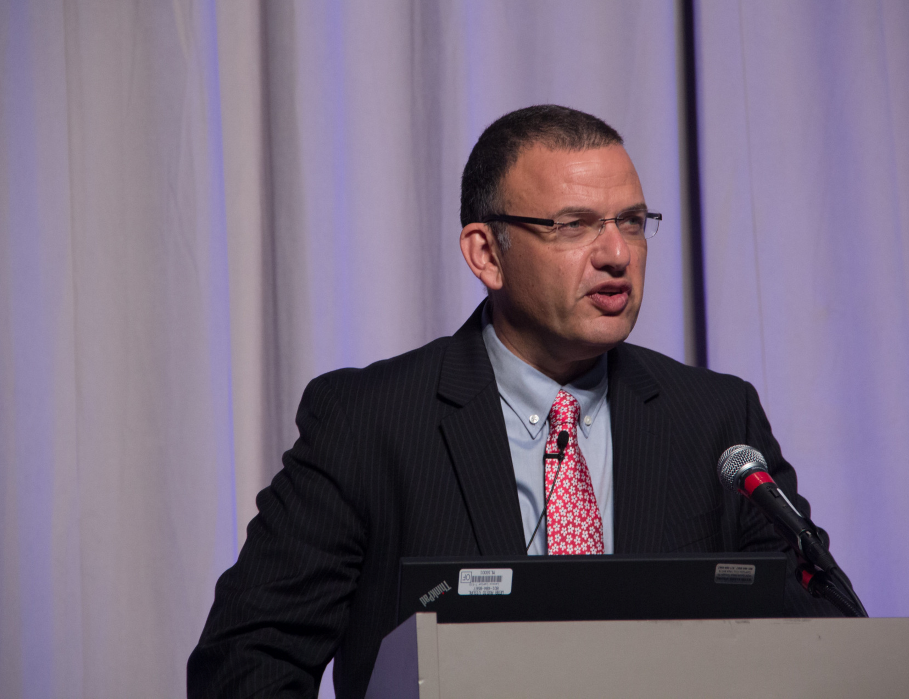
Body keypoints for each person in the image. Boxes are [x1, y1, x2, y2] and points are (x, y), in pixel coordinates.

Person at [188, 105, 838, 699]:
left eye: (632, 223)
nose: (616, 255)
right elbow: (247, 663)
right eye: (574, 226)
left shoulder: (716, 422)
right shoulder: (368, 421)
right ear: (486, 253)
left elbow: (822, 638)